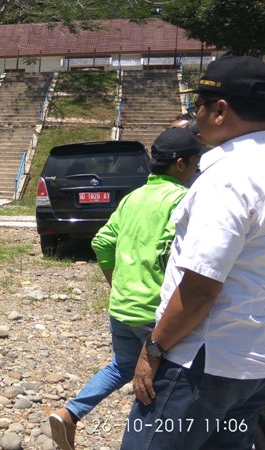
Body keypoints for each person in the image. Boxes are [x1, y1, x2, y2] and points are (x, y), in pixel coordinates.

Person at [122, 55, 265, 449]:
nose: (195, 113)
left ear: (220, 110)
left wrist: (153, 349)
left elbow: (201, 287)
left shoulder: (228, 176)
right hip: (251, 364)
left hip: (200, 361)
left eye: (198, 104)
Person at [48, 127, 202, 450]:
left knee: (123, 366)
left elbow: (102, 241)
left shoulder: (133, 197)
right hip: (154, 312)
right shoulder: (182, 199)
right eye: (195, 162)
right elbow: (169, 249)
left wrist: (116, 282)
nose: (197, 168)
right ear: (181, 163)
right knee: (156, 382)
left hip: (121, 306)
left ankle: (69, 413)